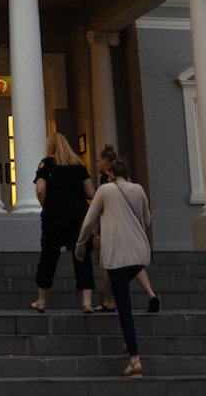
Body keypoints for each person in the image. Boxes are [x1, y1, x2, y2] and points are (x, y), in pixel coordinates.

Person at [76, 155, 152, 380]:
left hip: (117, 256)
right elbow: (147, 219)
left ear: (110, 173)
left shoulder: (105, 191)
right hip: (138, 253)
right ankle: (131, 344)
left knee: (124, 307)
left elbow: (89, 221)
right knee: (123, 297)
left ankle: (135, 360)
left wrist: (80, 245)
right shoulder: (138, 189)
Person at [30, 132, 95, 313]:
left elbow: (40, 189)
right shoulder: (79, 166)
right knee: (82, 255)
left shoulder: (47, 164)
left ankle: (42, 301)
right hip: (78, 215)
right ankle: (87, 302)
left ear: (50, 146)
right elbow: (91, 193)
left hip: (54, 215)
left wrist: (46, 205)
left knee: (49, 256)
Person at [92, 144, 159, 314]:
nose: (96, 163)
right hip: (132, 234)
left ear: (107, 163)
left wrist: (94, 232)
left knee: (110, 266)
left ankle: (109, 301)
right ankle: (150, 294)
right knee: (135, 265)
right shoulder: (130, 183)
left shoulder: (107, 184)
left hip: (115, 233)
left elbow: (100, 210)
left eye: (99, 160)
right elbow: (145, 216)